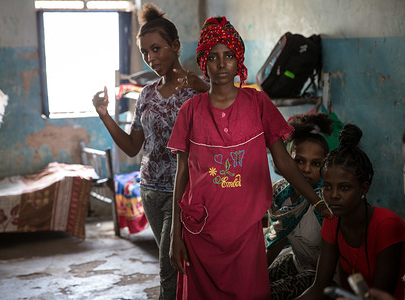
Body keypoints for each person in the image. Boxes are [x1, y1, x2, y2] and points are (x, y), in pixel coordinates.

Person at [167, 16, 331, 300]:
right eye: (213, 56)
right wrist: (174, 235)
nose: (221, 64)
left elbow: (283, 162)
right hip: (200, 231)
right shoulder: (190, 111)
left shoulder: (258, 104)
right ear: (203, 61)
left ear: (238, 59)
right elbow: (182, 175)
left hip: (245, 233)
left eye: (228, 55)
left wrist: (316, 200)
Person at [92, 3, 208, 299]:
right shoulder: (146, 93)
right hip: (150, 191)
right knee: (175, 264)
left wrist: (206, 92)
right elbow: (133, 147)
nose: (150, 59)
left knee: (169, 270)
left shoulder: (197, 88)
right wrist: (104, 115)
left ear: (176, 46)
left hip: (182, 193)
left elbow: (220, 128)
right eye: (145, 52)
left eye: (156, 49)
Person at [297, 124, 405, 300]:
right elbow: (319, 287)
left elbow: (381, 296)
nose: (333, 195)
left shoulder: (386, 225)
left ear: (363, 189)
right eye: (327, 187)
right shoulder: (332, 221)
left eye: (344, 188)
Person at [266, 113, 335, 299]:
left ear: (325, 164)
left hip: (322, 277)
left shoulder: (327, 202)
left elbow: (330, 266)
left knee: (267, 294)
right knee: (250, 283)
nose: (306, 169)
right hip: (298, 263)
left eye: (316, 164)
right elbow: (278, 237)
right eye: (300, 161)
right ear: (288, 159)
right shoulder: (281, 194)